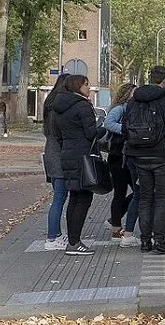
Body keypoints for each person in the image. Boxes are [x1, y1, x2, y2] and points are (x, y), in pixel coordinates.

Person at [125, 65, 165, 256]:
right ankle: (159, 241)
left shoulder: (134, 100)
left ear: (150, 78)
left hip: (139, 155)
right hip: (163, 156)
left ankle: (145, 241)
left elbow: (126, 126)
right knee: (161, 199)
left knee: (145, 198)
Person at [54, 74, 99, 256]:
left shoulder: (59, 107)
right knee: (84, 198)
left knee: (74, 197)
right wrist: (100, 129)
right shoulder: (82, 106)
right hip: (83, 156)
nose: (89, 88)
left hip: (67, 153)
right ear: (77, 86)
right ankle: (75, 242)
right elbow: (91, 133)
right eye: (86, 85)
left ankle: (72, 240)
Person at [104, 83, 139, 247]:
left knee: (137, 191)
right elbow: (108, 123)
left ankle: (114, 221)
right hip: (118, 156)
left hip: (122, 156)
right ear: (127, 94)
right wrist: (126, 129)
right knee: (122, 192)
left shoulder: (129, 108)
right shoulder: (120, 108)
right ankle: (116, 226)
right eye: (134, 92)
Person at [42, 73, 71, 250]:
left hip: (51, 153)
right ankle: (52, 237)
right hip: (58, 156)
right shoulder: (58, 109)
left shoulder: (49, 105)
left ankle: (56, 234)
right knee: (59, 197)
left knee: (59, 196)